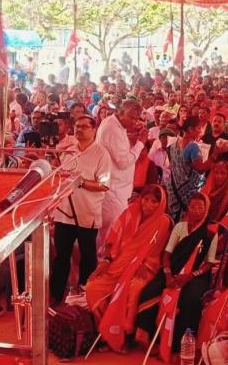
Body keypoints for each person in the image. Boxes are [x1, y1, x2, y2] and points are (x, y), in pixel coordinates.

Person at [85, 185, 172, 348]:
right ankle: (106, 331)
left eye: (154, 201)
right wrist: (107, 260)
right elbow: (113, 237)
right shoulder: (130, 212)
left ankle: (126, 336)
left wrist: (144, 264)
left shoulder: (163, 222)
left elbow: (156, 253)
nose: (148, 204)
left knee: (134, 288)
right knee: (92, 287)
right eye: (146, 199)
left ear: (160, 204)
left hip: (144, 268)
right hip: (118, 265)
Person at [135, 193, 218, 357]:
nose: (195, 211)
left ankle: (178, 347)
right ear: (188, 208)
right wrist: (167, 275)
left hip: (196, 275)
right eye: (192, 207)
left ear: (206, 210)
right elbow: (167, 254)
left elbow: (209, 263)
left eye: (200, 207)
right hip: (172, 269)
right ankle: (149, 338)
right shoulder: (180, 227)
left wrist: (191, 275)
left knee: (189, 298)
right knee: (148, 291)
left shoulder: (210, 233)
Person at [50, 115, 112, 304]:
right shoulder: (68, 152)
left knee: (88, 256)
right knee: (61, 256)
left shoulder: (101, 154)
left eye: (84, 127)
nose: (79, 130)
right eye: (77, 126)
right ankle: (55, 295)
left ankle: (86, 295)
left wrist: (81, 182)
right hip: (64, 213)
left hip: (87, 214)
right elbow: (58, 177)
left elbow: (104, 185)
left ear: (94, 129)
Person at [96, 99, 147, 249]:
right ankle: (102, 269)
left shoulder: (117, 126)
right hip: (112, 191)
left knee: (109, 236)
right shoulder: (112, 128)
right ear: (120, 112)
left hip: (117, 189)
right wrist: (140, 143)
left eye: (137, 118)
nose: (134, 121)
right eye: (131, 117)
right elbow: (123, 162)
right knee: (110, 237)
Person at [163, 116, 214, 221]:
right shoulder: (193, 147)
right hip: (187, 193)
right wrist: (216, 154)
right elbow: (200, 169)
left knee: (173, 220)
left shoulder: (173, 145)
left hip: (173, 190)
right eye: (199, 128)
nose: (201, 131)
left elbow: (174, 166)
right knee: (185, 223)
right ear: (191, 129)